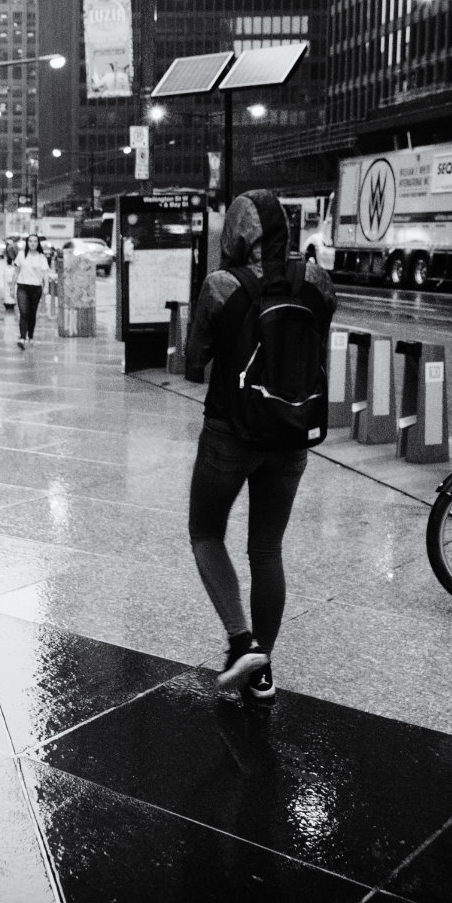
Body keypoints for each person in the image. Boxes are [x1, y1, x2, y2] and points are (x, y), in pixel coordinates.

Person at [184, 190, 337, 702]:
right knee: (266, 549)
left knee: (206, 532)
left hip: (230, 431)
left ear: (234, 234)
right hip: (292, 432)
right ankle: (262, 669)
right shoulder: (316, 279)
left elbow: (194, 359)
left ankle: (241, 642)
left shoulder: (221, 284)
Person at [13, 234, 51, 348]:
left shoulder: (41, 257)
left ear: (38, 243)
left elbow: (45, 273)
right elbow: (16, 271)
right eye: (30, 241)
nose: (32, 243)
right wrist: (12, 286)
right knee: (23, 312)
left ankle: (30, 336)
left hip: (36, 288)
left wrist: (46, 286)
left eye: (35, 241)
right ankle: (22, 338)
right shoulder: (21, 255)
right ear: (27, 243)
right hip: (22, 287)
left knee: (32, 313)